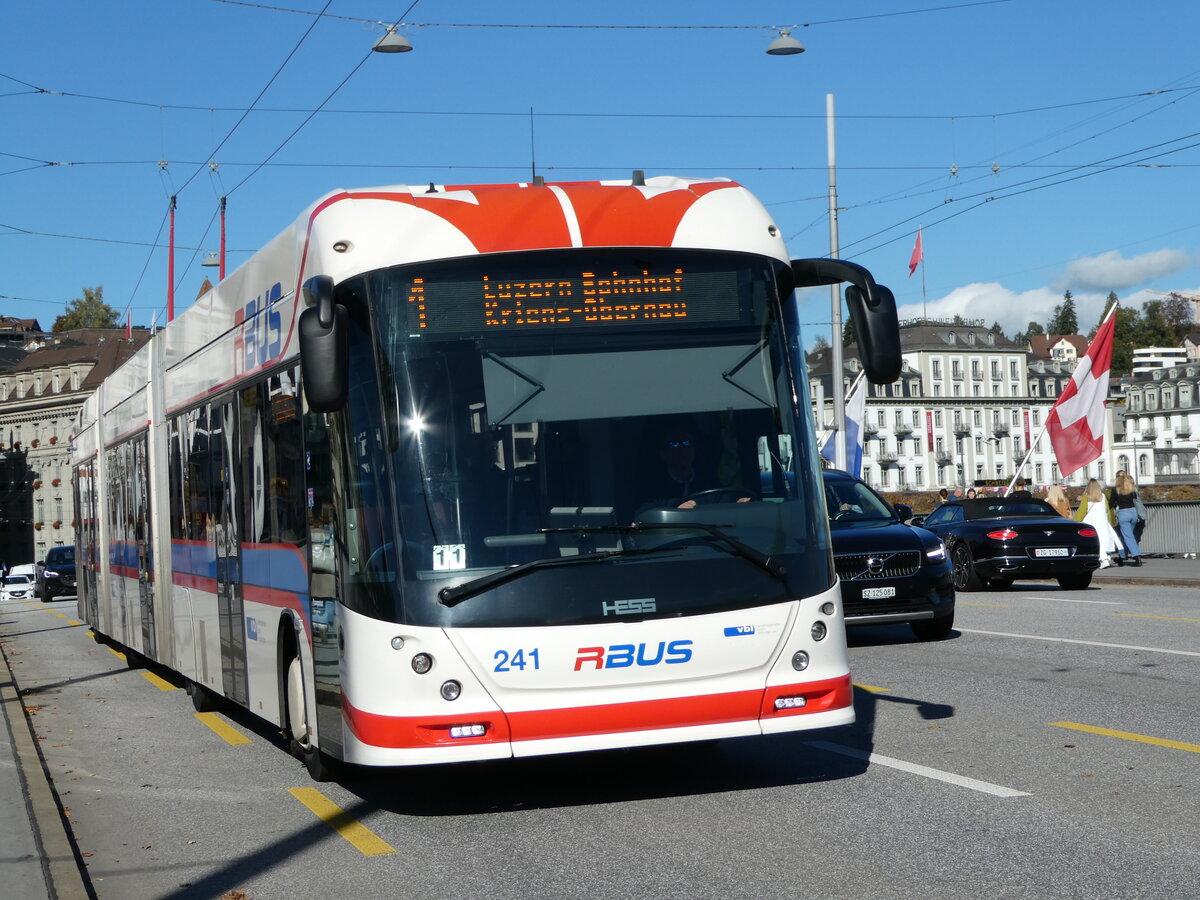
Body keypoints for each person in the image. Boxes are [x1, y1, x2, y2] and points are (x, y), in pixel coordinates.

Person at [1074, 478, 1121, 567]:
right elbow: (1107, 510)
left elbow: (1082, 511)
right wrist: (1110, 521)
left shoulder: (1087, 497)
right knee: (1101, 541)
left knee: (1095, 541)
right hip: (1102, 522)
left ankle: (1104, 559)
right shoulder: (1102, 496)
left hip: (1091, 522)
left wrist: (1075, 521)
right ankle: (1105, 557)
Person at [1109, 470, 1143, 566]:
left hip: (1123, 513)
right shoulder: (1131, 487)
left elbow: (1111, 503)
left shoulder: (1116, 489)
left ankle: (1137, 556)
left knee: (1128, 537)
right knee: (1127, 536)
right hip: (1133, 513)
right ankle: (1122, 557)